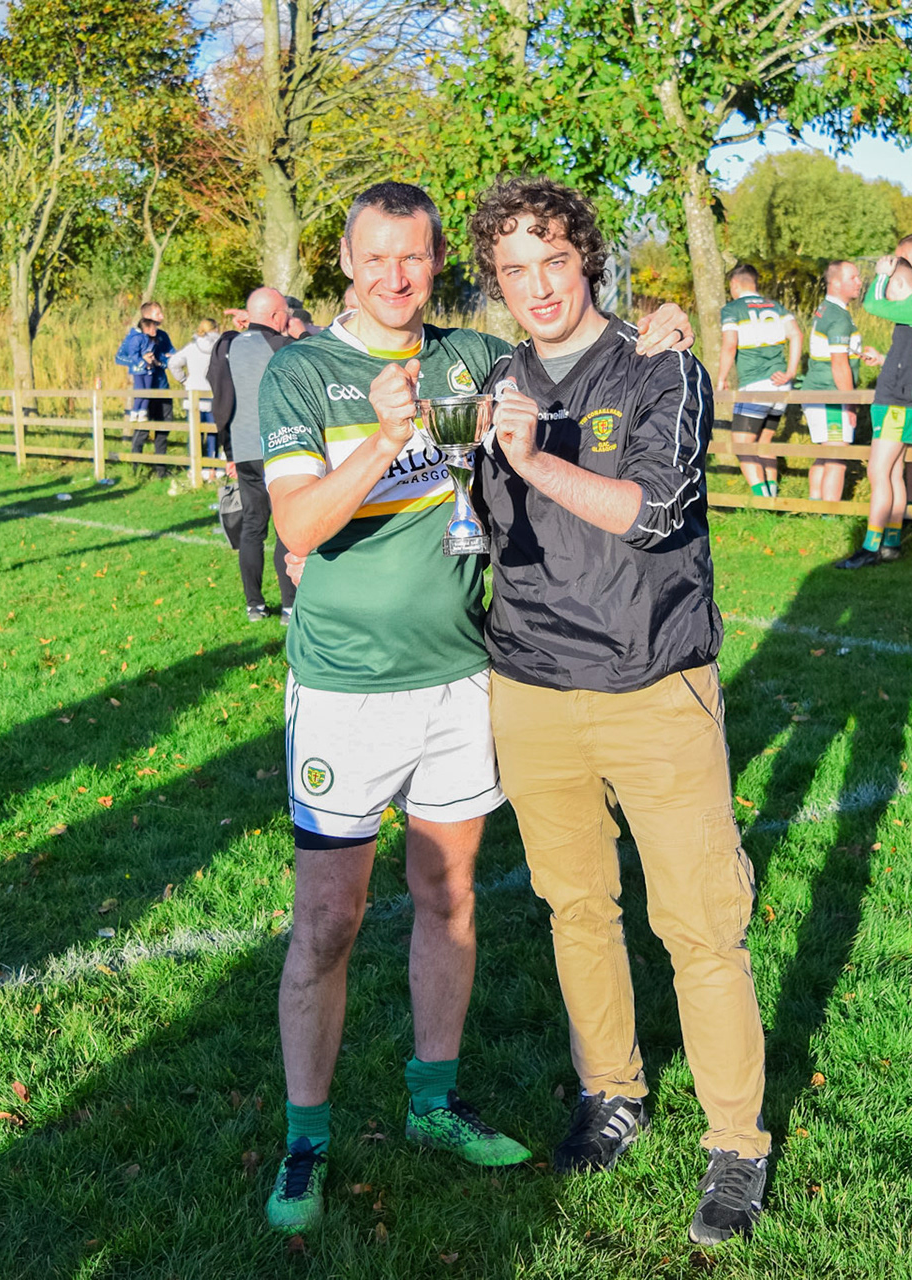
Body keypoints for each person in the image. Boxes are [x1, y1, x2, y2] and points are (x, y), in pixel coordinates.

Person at [256, 179, 695, 1234]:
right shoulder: (300, 371)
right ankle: (305, 1138)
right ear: (345, 261)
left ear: (438, 260)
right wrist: (379, 441)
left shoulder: (471, 360)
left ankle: (434, 1100)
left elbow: (573, 343)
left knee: (448, 898)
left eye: (413, 256)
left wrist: (661, 329)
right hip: (346, 687)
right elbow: (298, 529)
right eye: (374, 257)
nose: (394, 276)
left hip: (462, 676)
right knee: (328, 921)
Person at [468, 175, 768, 1248]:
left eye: (554, 259)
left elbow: (655, 513)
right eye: (514, 269)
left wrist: (533, 458)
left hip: (652, 686)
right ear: (496, 283)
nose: (539, 286)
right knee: (576, 909)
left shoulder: (660, 364)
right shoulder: (489, 380)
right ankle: (613, 1091)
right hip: (530, 687)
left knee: (701, 925)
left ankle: (735, 1143)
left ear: (587, 258)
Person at [839, 236, 912, 569]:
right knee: (894, 473)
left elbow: (871, 304)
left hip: (896, 404)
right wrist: (885, 359)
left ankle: (870, 546)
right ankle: (892, 543)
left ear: (898, 284)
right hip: (902, 401)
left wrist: (881, 276)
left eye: (889, 287)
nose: (888, 297)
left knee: (877, 471)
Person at [209, 287, 295, 621]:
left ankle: (254, 604)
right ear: (275, 316)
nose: (288, 318)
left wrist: (228, 449)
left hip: (243, 449)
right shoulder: (283, 346)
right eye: (286, 313)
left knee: (253, 526)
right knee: (286, 526)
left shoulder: (227, 345)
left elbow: (221, 398)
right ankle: (289, 605)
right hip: (279, 447)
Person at [798, 263, 880, 504]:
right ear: (835, 283)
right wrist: (851, 403)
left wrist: (857, 353)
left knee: (825, 454)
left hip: (817, 391)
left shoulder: (826, 309)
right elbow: (839, 365)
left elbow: (832, 352)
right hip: (830, 395)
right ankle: (830, 514)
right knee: (837, 457)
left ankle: (815, 507)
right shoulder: (838, 317)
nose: (859, 282)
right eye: (853, 278)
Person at [717, 263, 800, 499]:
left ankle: (763, 500)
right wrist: (790, 372)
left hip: (754, 384)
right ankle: (772, 496)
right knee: (764, 442)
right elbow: (796, 334)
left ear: (735, 284)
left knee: (741, 445)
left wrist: (722, 378)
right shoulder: (776, 306)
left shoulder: (733, 309)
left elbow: (730, 344)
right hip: (781, 385)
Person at [117, 303, 175, 476]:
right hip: (144, 390)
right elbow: (120, 357)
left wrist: (160, 361)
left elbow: (173, 355)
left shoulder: (162, 336)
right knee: (142, 430)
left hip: (162, 388)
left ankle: (161, 470)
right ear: (147, 317)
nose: (162, 316)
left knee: (163, 429)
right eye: (158, 313)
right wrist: (141, 361)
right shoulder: (134, 337)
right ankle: (135, 470)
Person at [168, 317, 222, 474]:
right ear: (215, 329)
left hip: (193, 394)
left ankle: (194, 469)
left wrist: (183, 379)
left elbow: (173, 363)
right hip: (213, 393)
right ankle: (212, 468)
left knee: (194, 433)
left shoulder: (191, 347)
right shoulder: (220, 347)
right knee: (213, 432)